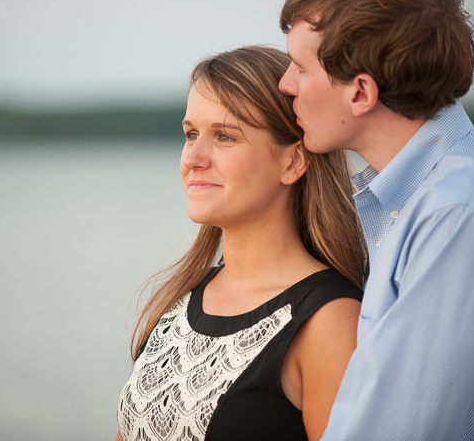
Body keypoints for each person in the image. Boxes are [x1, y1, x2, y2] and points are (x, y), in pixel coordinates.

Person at [278, 0, 474, 439]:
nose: (286, 84)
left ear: (361, 92)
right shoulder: (425, 194)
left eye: (301, 69)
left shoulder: (461, 217)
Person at [115, 46, 367, 441]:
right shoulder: (179, 299)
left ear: (292, 162)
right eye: (191, 134)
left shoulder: (329, 320)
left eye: (225, 136)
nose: (193, 158)